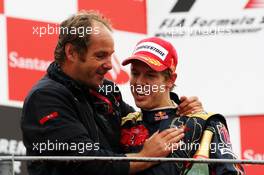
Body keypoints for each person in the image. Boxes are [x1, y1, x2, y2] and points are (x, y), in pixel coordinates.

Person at [21, 11, 203, 175]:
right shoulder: (45, 98)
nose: (110, 65)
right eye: (101, 56)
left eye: (110, 55)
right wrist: (145, 157)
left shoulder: (106, 89)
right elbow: (86, 163)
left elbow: (143, 120)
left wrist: (182, 109)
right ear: (72, 52)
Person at [120, 37, 245, 175]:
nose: (139, 82)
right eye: (135, 73)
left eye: (150, 75)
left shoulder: (205, 123)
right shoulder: (124, 123)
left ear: (170, 80)